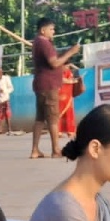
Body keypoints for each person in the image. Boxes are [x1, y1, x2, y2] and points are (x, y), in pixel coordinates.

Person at [30, 18, 80, 158]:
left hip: (41, 84)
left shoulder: (37, 42)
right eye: (51, 29)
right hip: (49, 86)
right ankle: (56, 150)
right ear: (43, 30)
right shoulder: (44, 43)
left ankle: (35, 149)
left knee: (40, 118)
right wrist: (71, 52)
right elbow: (54, 63)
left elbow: (52, 64)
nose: (54, 32)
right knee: (53, 118)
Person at [58, 66, 79, 139]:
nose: (66, 67)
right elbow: (61, 80)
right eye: (65, 65)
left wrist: (73, 67)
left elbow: (76, 79)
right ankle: (58, 131)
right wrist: (71, 81)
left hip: (68, 95)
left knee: (69, 113)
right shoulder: (57, 70)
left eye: (67, 66)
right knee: (58, 112)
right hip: (59, 95)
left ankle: (70, 131)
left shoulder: (70, 71)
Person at [0, 67, 15, 135]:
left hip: (5, 98)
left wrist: (5, 91)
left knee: (7, 114)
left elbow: (11, 88)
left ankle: (9, 129)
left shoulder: (6, 78)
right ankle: (0, 129)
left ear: (1, 73)